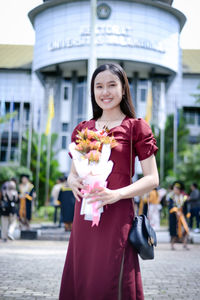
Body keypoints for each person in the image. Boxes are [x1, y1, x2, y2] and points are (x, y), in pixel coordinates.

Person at [59, 63, 159, 300]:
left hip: (117, 214)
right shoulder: (83, 128)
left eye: (112, 85)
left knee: (112, 276)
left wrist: (116, 194)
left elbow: (153, 178)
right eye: (99, 86)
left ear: (123, 89)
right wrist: (72, 181)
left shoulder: (136, 128)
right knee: (83, 274)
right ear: (92, 91)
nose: (105, 92)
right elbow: (73, 173)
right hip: (84, 215)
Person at [168, 182, 190, 250]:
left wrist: (186, 215)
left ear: (179, 190)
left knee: (185, 230)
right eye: (174, 189)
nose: (174, 190)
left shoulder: (183, 197)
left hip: (182, 216)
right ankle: (172, 245)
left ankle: (185, 244)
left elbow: (186, 207)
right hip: (174, 217)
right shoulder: (172, 197)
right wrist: (175, 212)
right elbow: (170, 207)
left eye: (176, 189)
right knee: (174, 231)